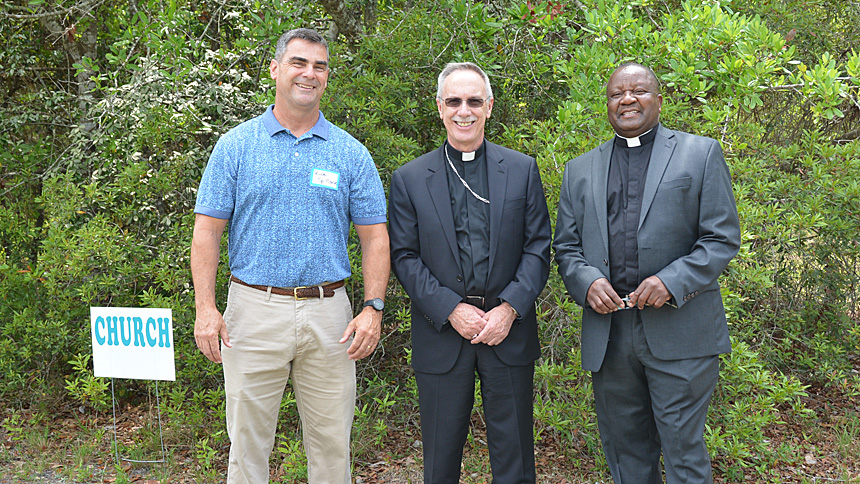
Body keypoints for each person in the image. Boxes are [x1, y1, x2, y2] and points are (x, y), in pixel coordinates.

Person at [190, 27, 389, 484]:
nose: (309, 74)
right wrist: (205, 308)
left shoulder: (350, 153)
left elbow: (375, 238)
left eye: (319, 66)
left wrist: (373, 307)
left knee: (332, 448)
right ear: (276, 69)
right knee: (246, 446)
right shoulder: (235, 146)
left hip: (330, 318)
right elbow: (207, 232)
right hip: (252, 313)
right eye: (299, 63)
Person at [553, 62, 741, 484]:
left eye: (638, 91)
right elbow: (566, 248)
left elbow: (721, 238)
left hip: (681, 332)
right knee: (626, 455)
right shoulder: (579, 169)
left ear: (658, 98)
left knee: (683, 455)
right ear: (608, 104)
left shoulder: (700, 152)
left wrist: (671, 281)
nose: (627, 99)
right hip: (611, 335)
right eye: (617, 93)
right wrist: (586, 282)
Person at [388, 62, 551, 484]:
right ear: (440, 107)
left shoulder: (521, 169)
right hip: (443, 334)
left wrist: (510, 309)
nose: (465, 110)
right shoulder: (409, 179)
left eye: (474, 101)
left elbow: (538, 247)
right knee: (440, 461)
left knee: (515, 457)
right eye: (455, 101)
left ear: (490, 106)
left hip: (507, 332)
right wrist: (450, 309)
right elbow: (404, 256)